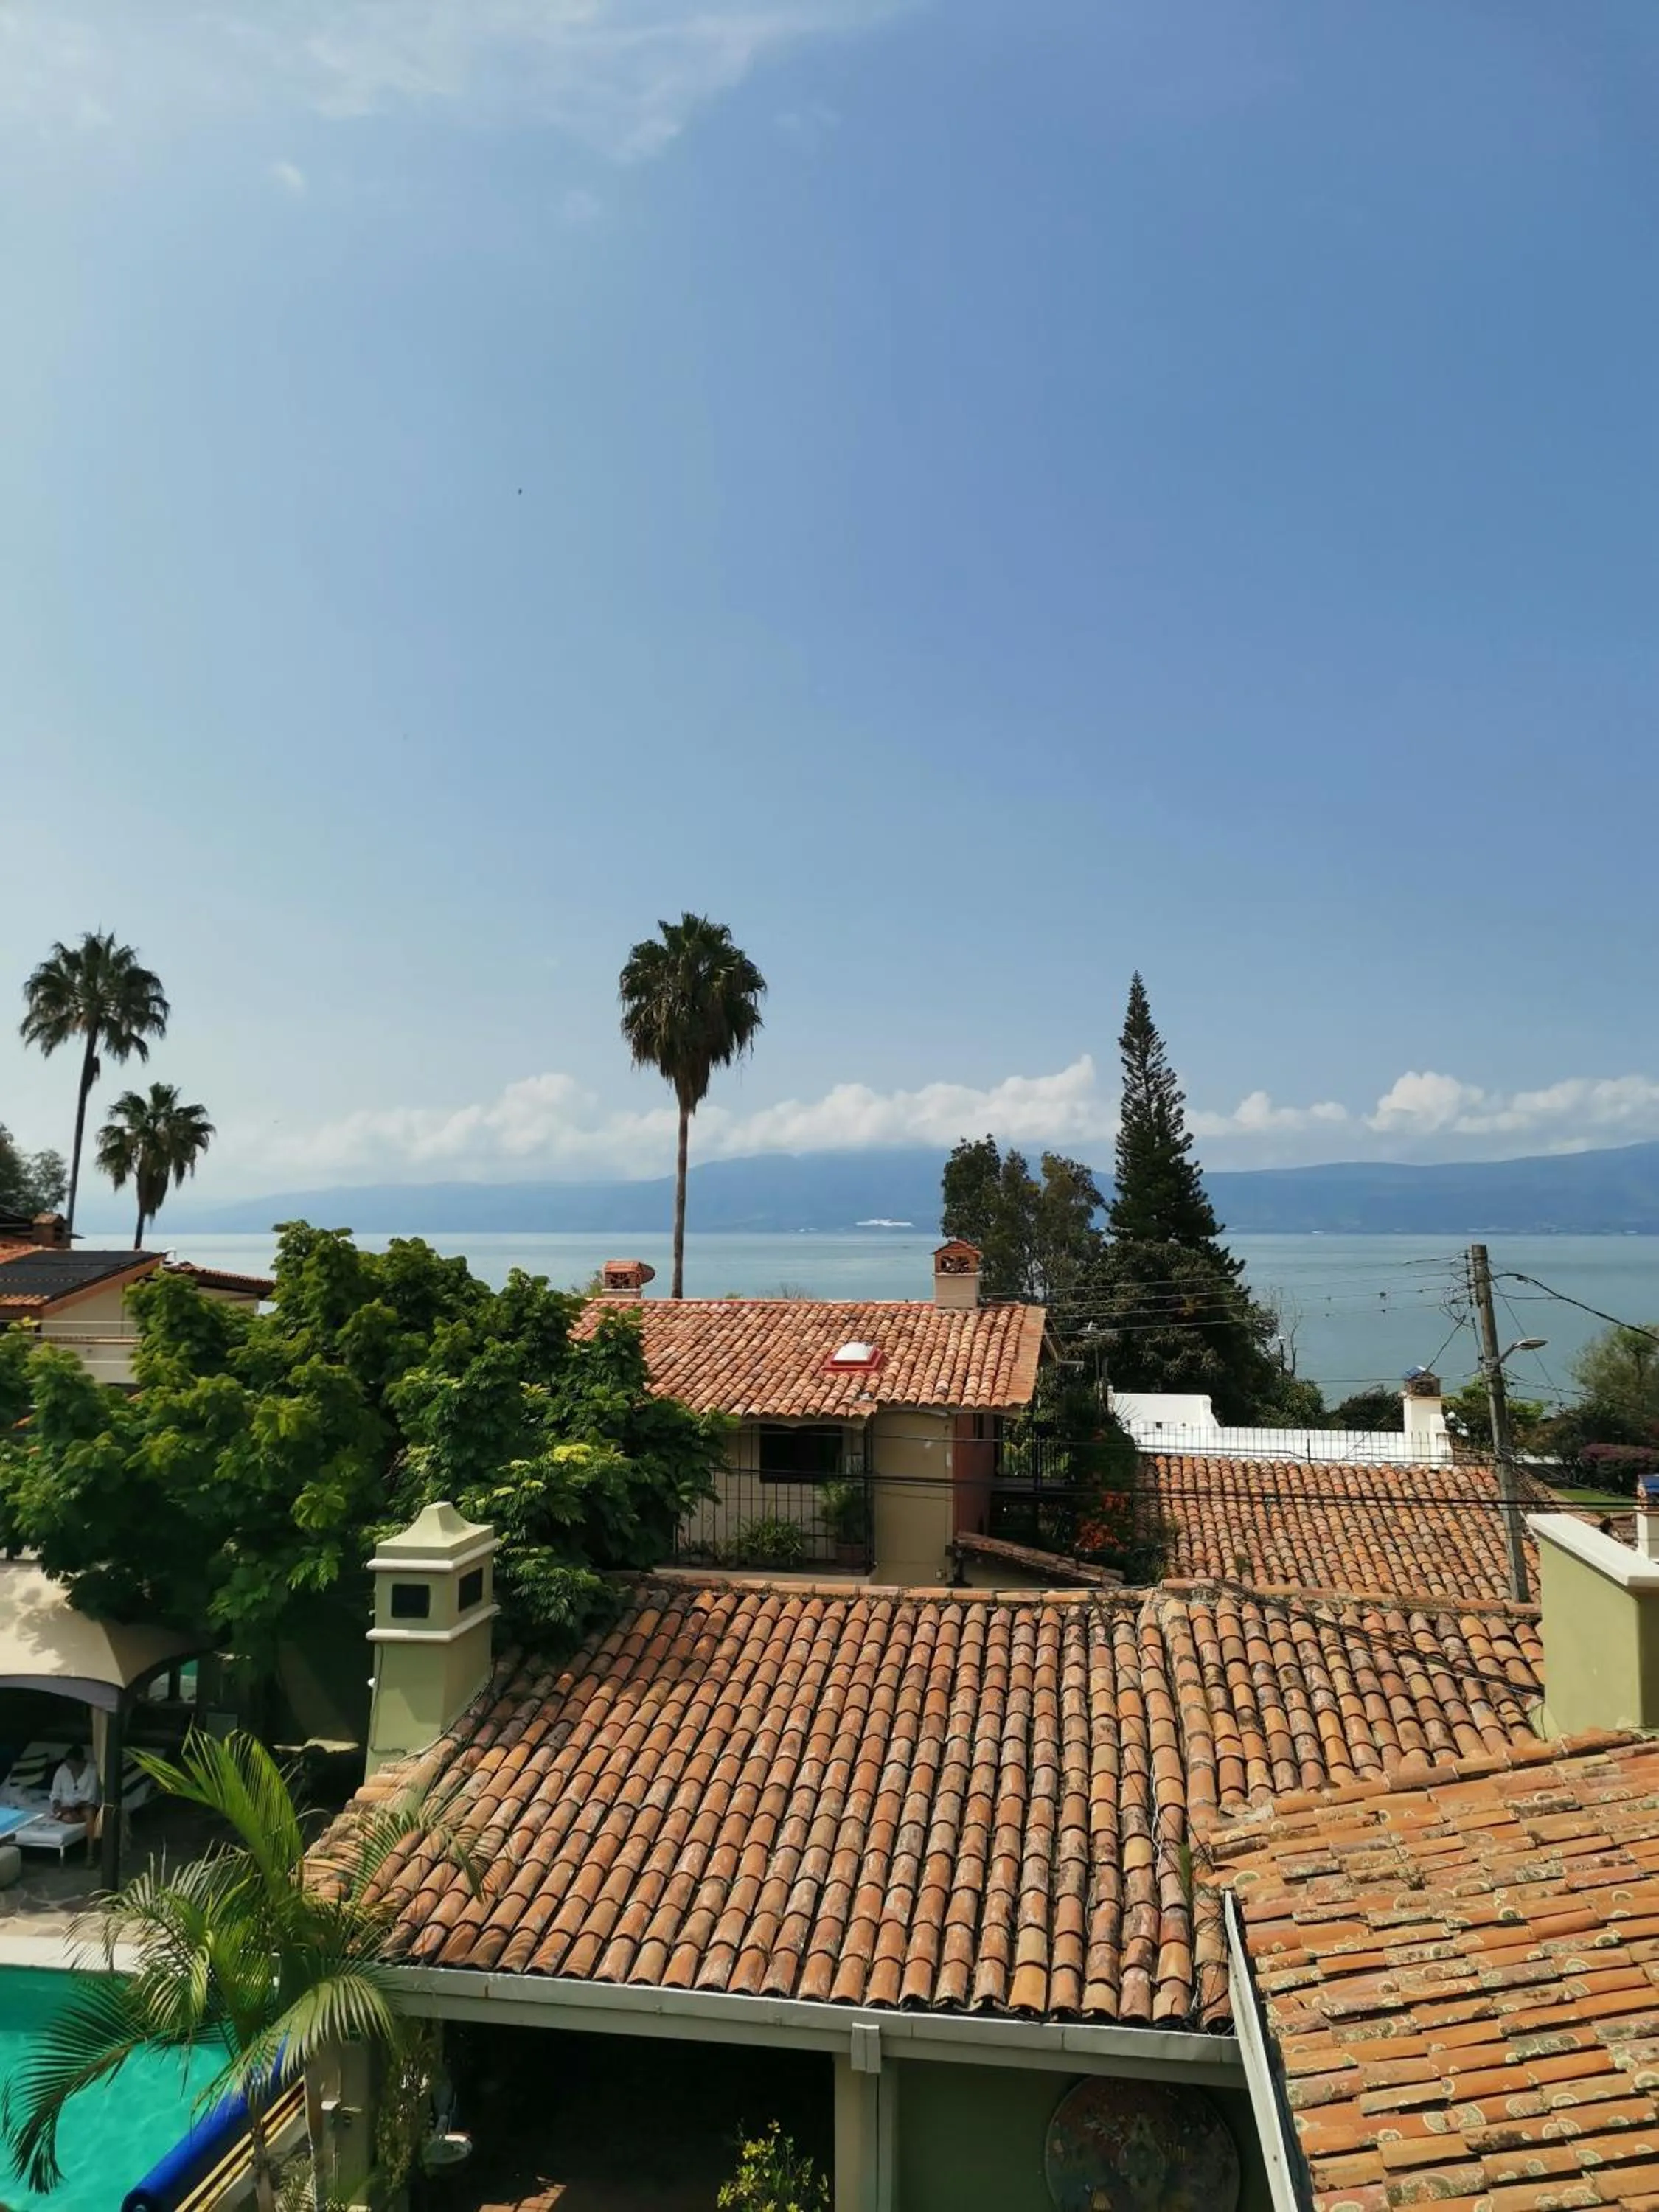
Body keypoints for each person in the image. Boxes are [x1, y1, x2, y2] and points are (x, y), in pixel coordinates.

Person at [49, 1745, 102, 1860]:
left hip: (86, 1806)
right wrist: (57, 1807)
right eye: (68, 1765)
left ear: (81, 1762)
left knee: (90, 1813)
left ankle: (90, 1854)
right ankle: (74, 1818)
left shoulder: (92, 1771)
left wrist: (69, 1808)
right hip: (67, 1808)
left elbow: (90, 1797)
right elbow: (55, 1793)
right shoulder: (62, 1770)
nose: (70, 1769)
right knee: (69, 1818)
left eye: (73, 1765)